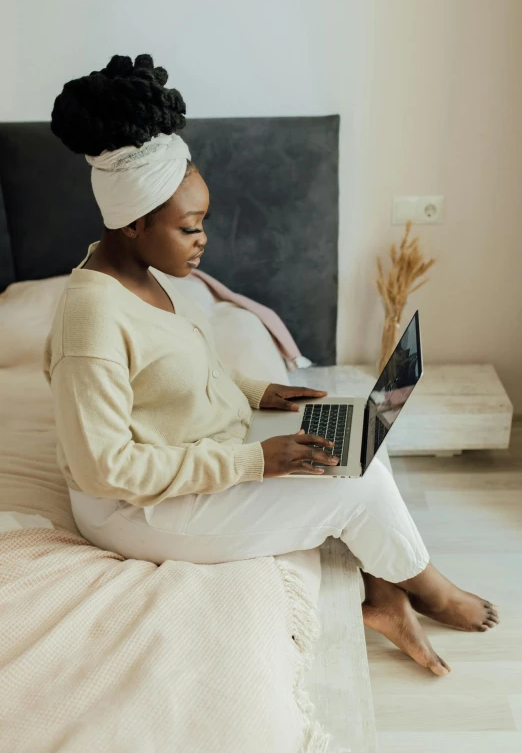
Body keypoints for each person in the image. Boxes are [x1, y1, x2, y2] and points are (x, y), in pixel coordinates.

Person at [44, 54, 499, 677]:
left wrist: (260, 391)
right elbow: (105, 469)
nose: (204, 240)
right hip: (136, 512)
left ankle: (386, 595)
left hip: (195, 451)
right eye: (190, 227)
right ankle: (431, 588)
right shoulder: (90, 320)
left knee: (355, 431)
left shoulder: (145, 277)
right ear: (134, 223)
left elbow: (173, 372)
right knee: (358, 484)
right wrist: (259, 459)